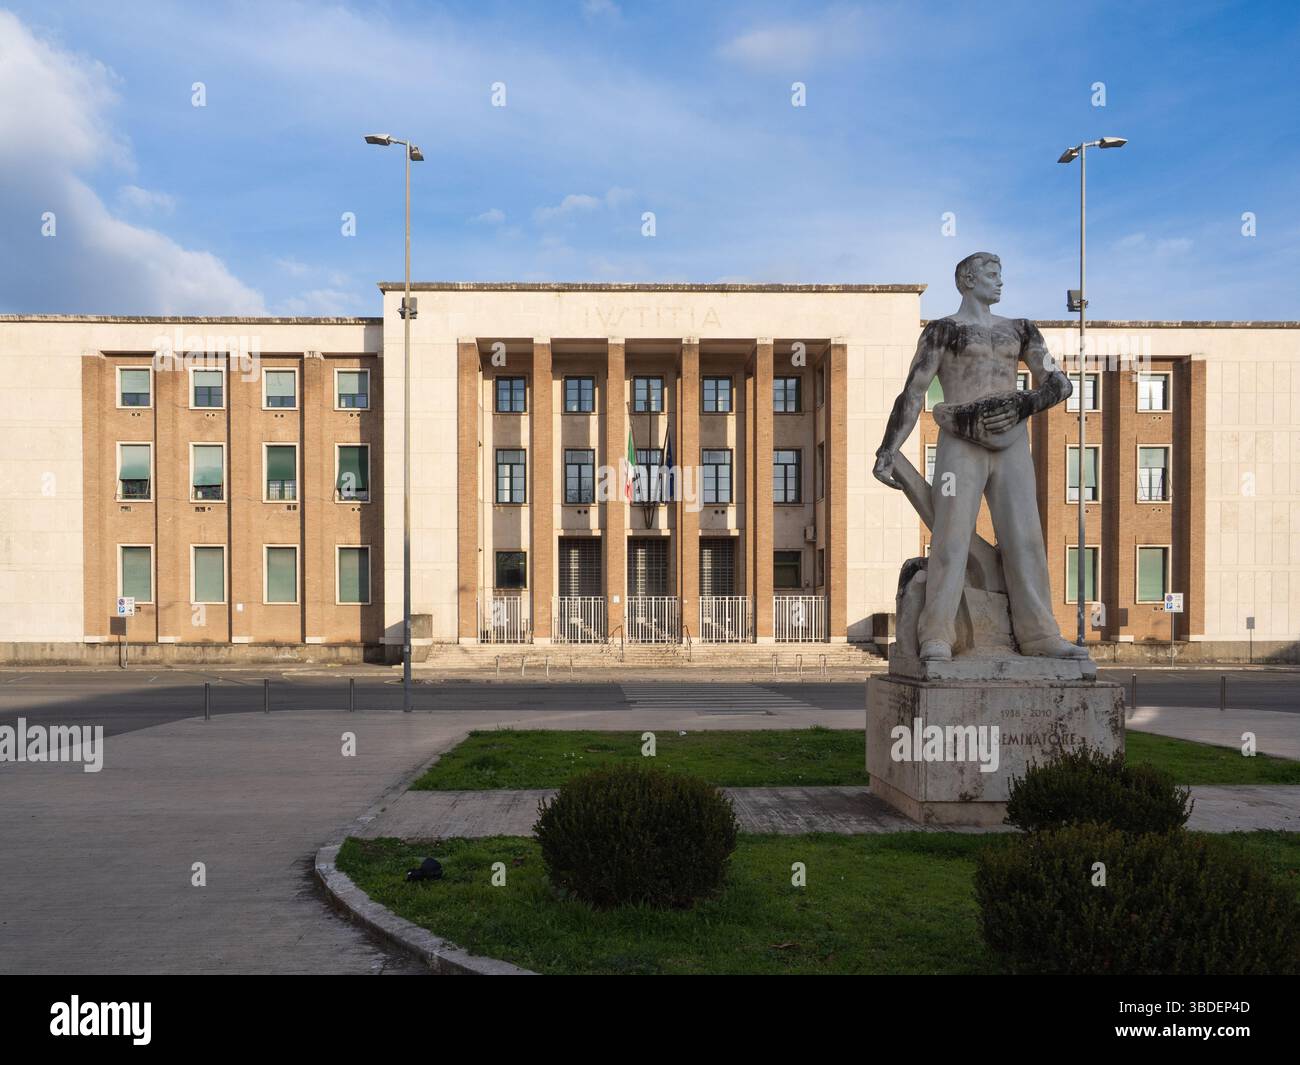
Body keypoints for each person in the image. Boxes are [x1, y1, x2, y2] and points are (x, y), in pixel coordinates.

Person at [872, 252, 1088, 662]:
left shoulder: (1021, 329)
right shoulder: (943, 331)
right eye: (992, 274)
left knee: (1025, 539)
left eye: (1001, 274)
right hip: (960, 440)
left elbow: (1059, 383)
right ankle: (937, 633)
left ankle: (1040, 634)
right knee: (950, 538)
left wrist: (1027, 402)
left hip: (1012, 443)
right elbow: (914, 392)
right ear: (967, 280)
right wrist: (889, 449)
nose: (1000, 282)